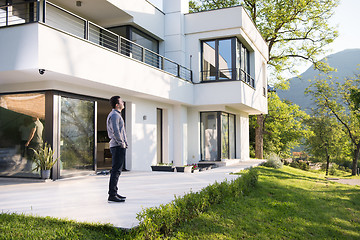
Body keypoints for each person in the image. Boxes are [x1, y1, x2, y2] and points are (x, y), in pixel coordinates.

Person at [106, 96, 128, 202]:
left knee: (117, 171)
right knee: (115, 171)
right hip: (117, 146)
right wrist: (122, 143)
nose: (123, 103)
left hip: (118, 146)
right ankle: (112, 195)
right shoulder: (114, 115)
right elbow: (116, 131)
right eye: (121, 101)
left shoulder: (116, 115)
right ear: (117, 105)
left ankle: (114, 192)